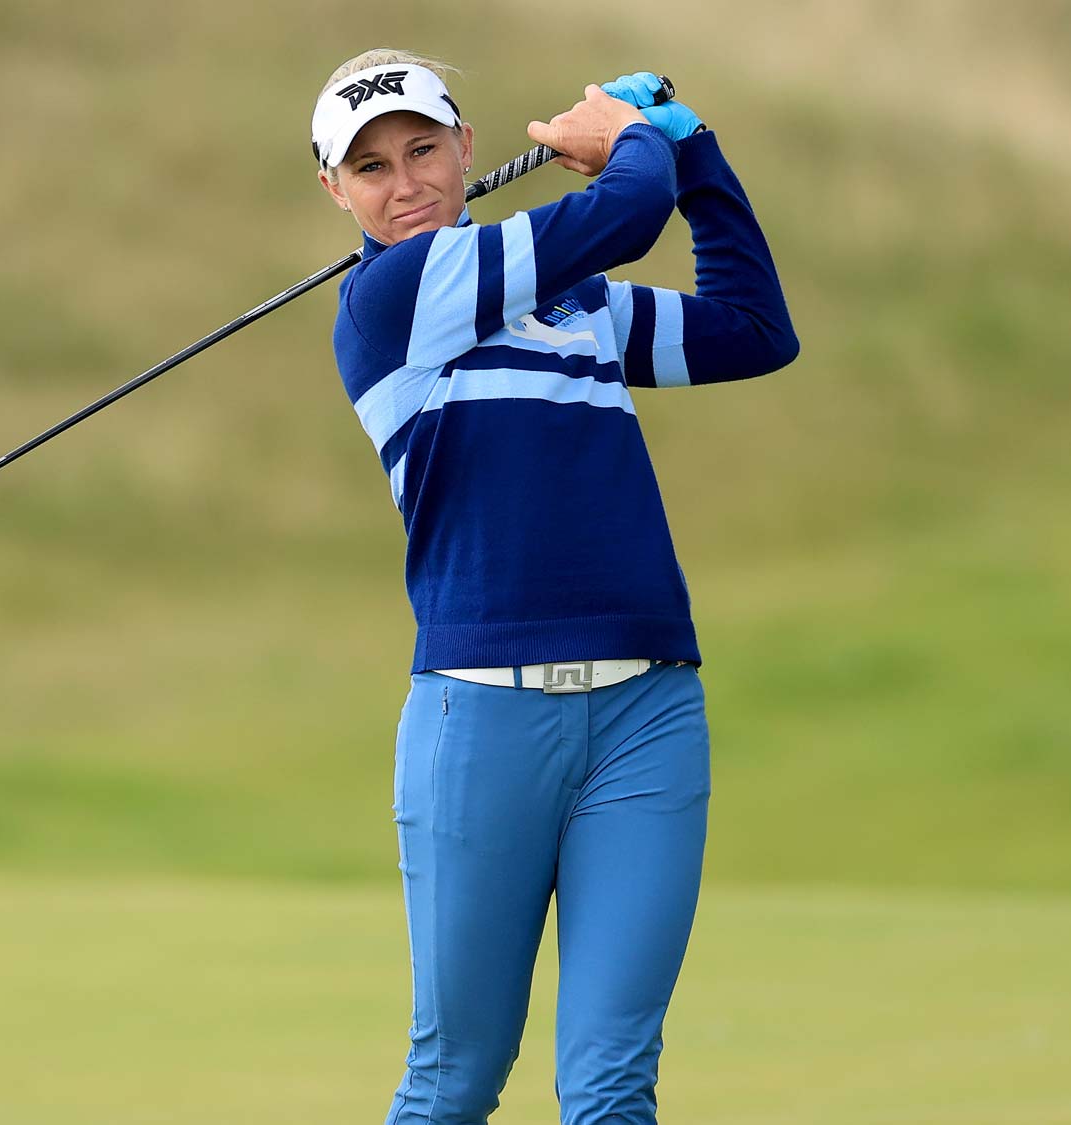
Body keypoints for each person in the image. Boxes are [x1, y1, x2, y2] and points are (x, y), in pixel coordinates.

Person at [310, 51, 798, 1125]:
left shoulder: (575, 311)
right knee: (454, 1080)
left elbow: (758, 332)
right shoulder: (390, 297)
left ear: (466, 149)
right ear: (334, 192)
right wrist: (634, 139)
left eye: (423, 150)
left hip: (645, 713)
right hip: (479, 719)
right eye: (371, 168)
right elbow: (621, 213)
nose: (405, 184)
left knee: (611, 1085)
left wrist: (692, 149)